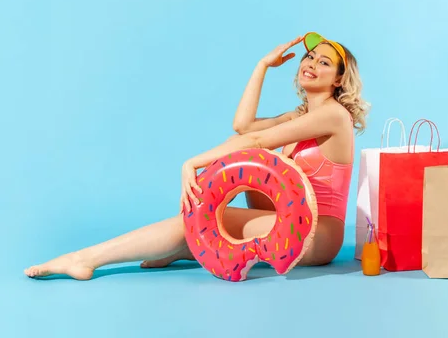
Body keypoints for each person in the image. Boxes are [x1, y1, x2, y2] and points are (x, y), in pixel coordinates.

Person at [24, 32, 369, 280]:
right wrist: (263, 65)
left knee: (197, 219)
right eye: (310, 57)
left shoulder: (334, 115)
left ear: (339, 79)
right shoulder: (299, 116)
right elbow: (243, 125)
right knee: (227, 175)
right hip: (285, 216)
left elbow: (259, 139)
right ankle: (181, 247)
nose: (311, 63)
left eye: (324, 62)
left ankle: (85, 259)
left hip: (317, 233)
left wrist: (194, 162)